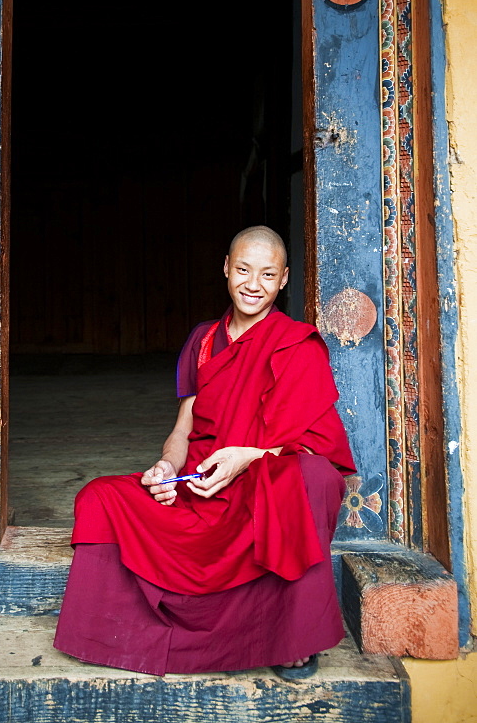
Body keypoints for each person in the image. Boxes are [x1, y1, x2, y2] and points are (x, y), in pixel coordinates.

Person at [53, 225, 355, 679]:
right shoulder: (203, 342)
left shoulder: (297, 343)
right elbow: (183, 427)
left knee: (310, 476)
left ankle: (295, 635)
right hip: (201, 485)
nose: (254, 285)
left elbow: (318, 444)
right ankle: (122, 631)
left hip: (258, 485)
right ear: (226, 270)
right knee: (100, 497)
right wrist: (166, 467)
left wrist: (245, 458)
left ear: (285, 278)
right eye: (244, 271)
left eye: (268, 275)